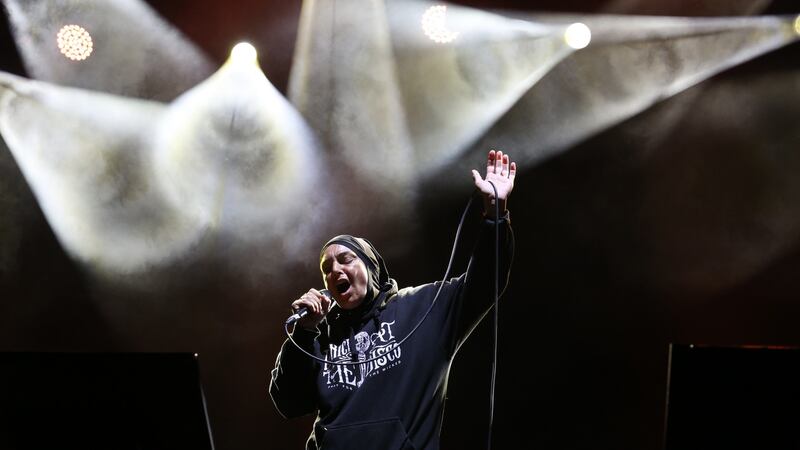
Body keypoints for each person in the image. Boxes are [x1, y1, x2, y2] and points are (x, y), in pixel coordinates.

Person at [269, 150, 516, 450]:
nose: (335, 271)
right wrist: (305, 332)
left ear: (371, 267)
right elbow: (288, 402)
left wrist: (495, 217)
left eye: (345, 259)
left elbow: (484, 283)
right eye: (326, 270)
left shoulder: (422, 309)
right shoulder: (319, 341)